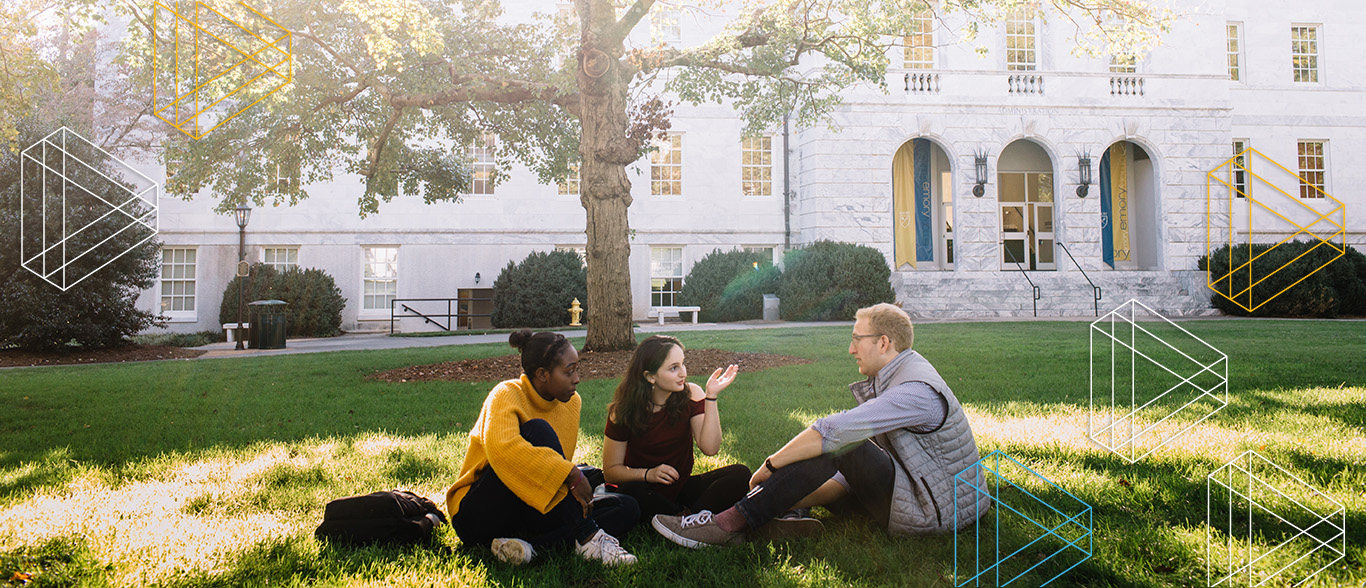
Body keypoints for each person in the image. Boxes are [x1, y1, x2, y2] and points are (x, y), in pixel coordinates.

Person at [651, 303, 990, 547]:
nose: (850, 349)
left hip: (935, 511)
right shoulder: (901, 373)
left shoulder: (914, 391)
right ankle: (771, 514)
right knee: (832, 449)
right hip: (919, 493)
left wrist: (770, 466)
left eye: (857, 339)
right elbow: (848, 472)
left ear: (883, 342)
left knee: (840, 442)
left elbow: (835, 434)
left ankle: (727, 525)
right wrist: (782, 494)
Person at [445, 330, 639, 565]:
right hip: (478, 517)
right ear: (542, 374)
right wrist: (570, 472)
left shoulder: (572, 403)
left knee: (626, 507)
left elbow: (553, 469)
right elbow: (503, 452)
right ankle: (588, 536)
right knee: (538, 430)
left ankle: (530, 549)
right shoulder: (506, 394)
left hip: (529, 507)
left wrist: (575, 479)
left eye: (577, 369)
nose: (577, 378)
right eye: (569, 372)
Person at [602, 335, 752, 523]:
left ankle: (684, 519)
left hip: (679, 487)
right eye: (674, 368)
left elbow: (710, 448)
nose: (683, 373)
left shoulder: (691, 394)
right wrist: (648, 474)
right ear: (650, 376)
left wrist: (711, 397)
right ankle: (686, 519)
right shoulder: (623, 410)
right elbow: (611, 471)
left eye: (682, 364)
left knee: (740, 474)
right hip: (644, 488)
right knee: (632, 492)